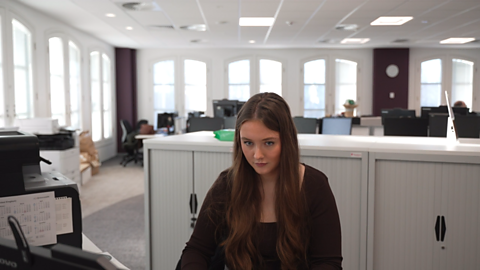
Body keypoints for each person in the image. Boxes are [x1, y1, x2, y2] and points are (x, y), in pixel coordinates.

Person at [180, 92, 342, 270]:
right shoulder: (227, 185)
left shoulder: (314, 186)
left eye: (269, 143)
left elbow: (327, 263)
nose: (257, 155)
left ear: (286, 141)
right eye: (248, 143)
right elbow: (196, 250)